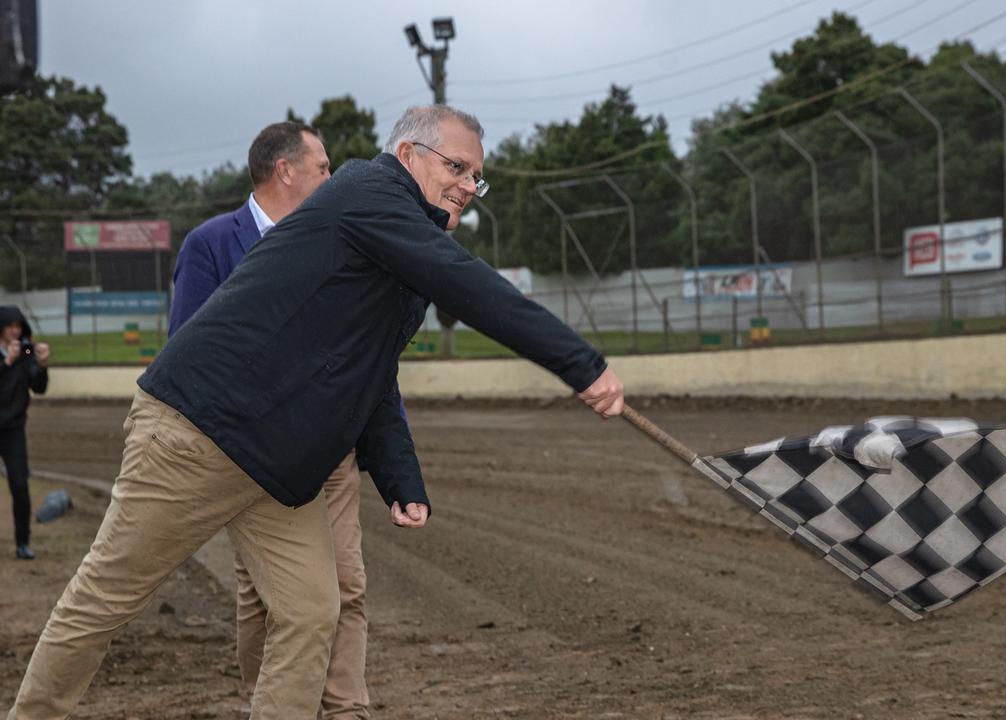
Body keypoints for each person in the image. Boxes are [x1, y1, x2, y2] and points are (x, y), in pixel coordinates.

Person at [8, 104, 624, 720]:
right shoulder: (369, 192)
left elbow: (373, 369)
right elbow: (469, 283)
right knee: (107, 597)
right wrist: (581, 363)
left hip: (277, 466)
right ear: (408, 156)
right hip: (196, 436)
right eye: (458, 167)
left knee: (310, 612)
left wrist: (399, 475)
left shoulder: (402, 237)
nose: (468, 184)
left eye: (476, 176)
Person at [170, 121, 375, 718]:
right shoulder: (210, 244)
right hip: (250, 456)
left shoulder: (340, 242)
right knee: (264, 596)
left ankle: (345, 710)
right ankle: (276, 704)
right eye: (323, 166)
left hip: (329, 450)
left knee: (348, 585)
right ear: (286, 171)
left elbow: (367, 354)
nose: (331, 177)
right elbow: (188, 350)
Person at [0, 306, 49, 561]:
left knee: (20, 485)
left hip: (13, 429)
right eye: (11, 326)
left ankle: (23, 542)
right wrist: (6, 363)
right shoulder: (9, 355)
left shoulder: (25, 351)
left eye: (19, 327)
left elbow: (38, 387)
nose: (16, 331)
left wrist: (41, 365)